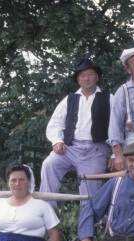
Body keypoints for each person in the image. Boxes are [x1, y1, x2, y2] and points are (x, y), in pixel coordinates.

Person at [41, 58, 115, 207]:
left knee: (89, 194)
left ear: (97, 77)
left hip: (95, 150)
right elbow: (55, 123)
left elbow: (118, 127)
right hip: (69, 148)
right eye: (82, 75)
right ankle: (47, 210)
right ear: (78, 79)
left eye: (90, 74)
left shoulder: (109, 99)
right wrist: (57, 141)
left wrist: (115, 154)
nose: (86, 78)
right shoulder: (69, 99)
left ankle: (87, 218)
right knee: (49, 164)